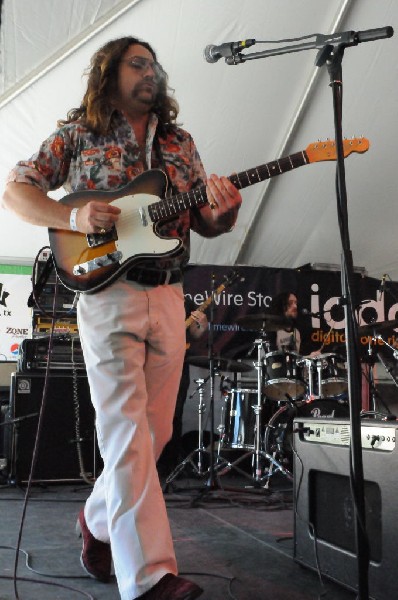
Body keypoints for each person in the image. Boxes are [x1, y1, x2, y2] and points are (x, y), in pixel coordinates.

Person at [2, 36, 242, 600]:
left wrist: (223, 215)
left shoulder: (180, 143)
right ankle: (151, 578)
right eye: (138, 62)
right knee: (126, 433)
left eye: (155, 64)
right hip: (106, 293)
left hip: (169, 292)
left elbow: (203, 220)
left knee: (154, 434)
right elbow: (15, 190)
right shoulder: (78, 133)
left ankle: (96, 519)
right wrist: (71, 214)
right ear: (109, 72)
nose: (151, 71)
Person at [157, 299, 208, 475]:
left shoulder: (184, 301)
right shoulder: (146, 296)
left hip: (178, 363)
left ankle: (169, 467)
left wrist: (201, 325)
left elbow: (195, 334)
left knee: (174, 413)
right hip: (150, 362)